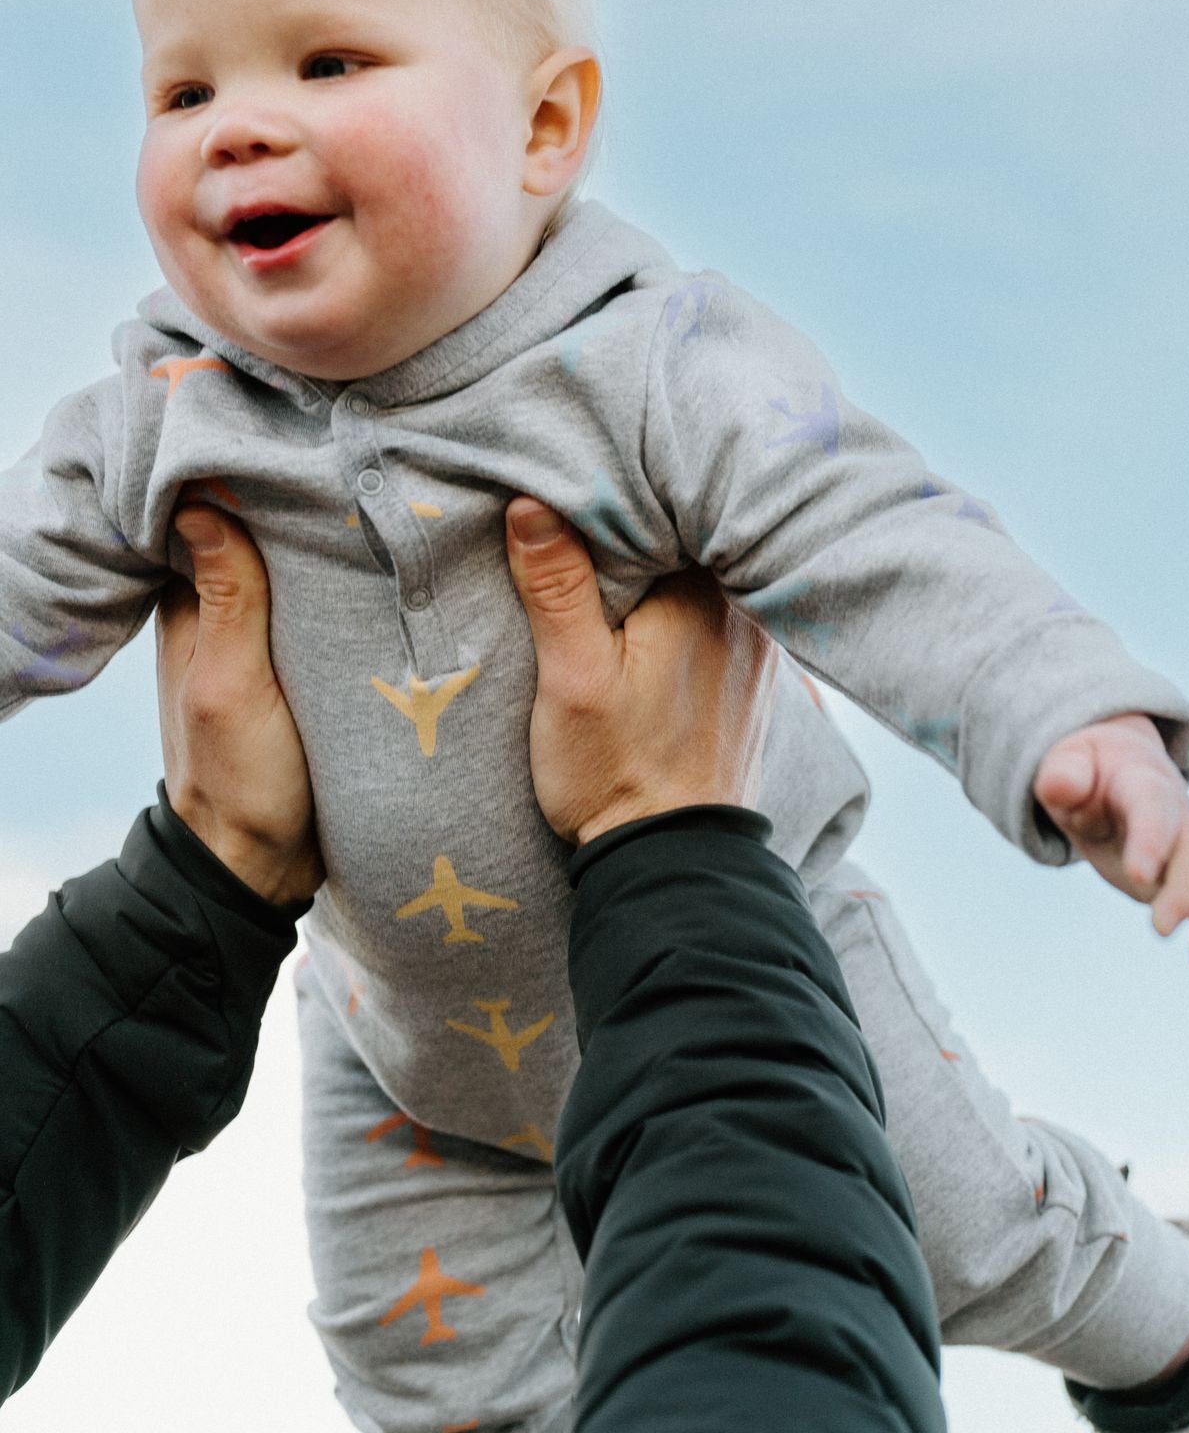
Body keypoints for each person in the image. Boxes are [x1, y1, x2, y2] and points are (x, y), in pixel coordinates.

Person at [0, 0, 1189, 1433]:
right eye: (181, 84)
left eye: (327, 63)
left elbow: (872, 534)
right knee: (424, 1383)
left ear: (545, 128)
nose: (237, 123)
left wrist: (1068, 717)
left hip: (754, 967)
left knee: (967, 1235)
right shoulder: (159, 418)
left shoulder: (647, 367)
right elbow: (19, 598)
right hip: (410, 1044)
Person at [0, 501, 948, 1433]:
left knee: (973, 1237)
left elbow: (838, 505)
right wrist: (675, 845)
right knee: (427, 1385)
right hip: (418, 1024)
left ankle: (1108, 1346)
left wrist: (190, 893)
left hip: (727, 890)